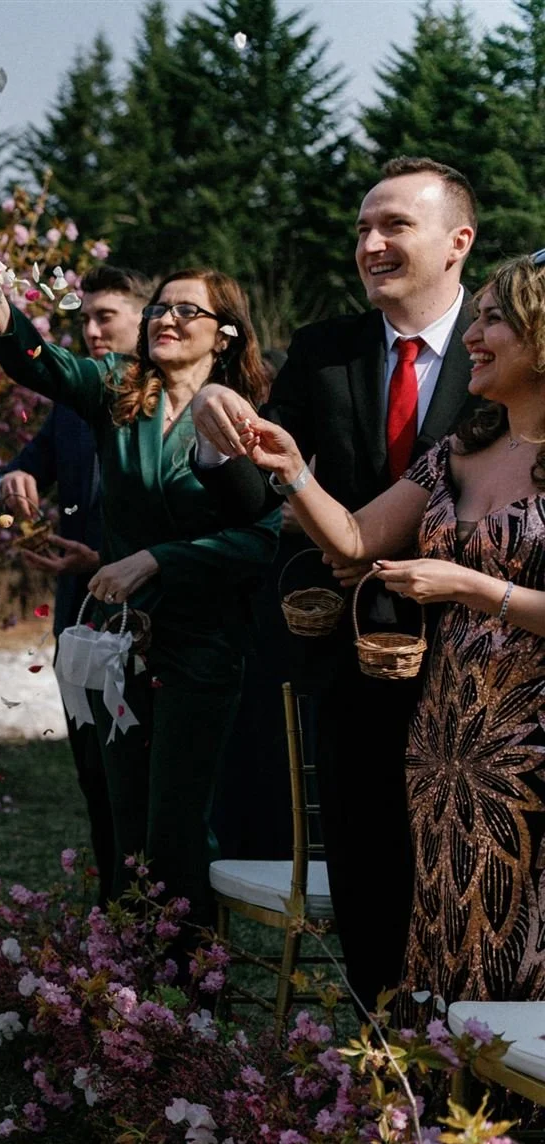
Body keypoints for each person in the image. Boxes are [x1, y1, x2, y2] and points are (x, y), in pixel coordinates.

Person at [0, 241, 281, 962]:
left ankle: (189, 988)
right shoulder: (120, 387)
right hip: (116, 644)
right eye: (159, 308)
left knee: (176, 825)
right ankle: (125, 985)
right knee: (125, 823)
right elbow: (43, 364)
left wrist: (157, 559)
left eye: (187, 310)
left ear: (225, 334)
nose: (166, 319)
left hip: (202, 646)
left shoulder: (247, 416)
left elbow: (261, 539)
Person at [194, 159, 483, 1008]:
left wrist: (394, 549)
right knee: (367, 869)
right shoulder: (325, 351)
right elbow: (258, 494)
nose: (371, 244)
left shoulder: (506, 345)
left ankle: (475, 1047)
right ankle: (380, 1043)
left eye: (394, 225)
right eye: (362, 229)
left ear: (458, 241)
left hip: (483, 660)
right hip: (357, 661)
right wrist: (213, 435)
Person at [232, 252, 545, 1007]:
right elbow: (353, 538)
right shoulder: (462, 449)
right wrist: (292, 471)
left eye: (493, 319)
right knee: (447, 918)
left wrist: (470, 587)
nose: (472, 335)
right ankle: (448, 1078)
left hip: (533, 743)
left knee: (525, 932)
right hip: (444, 742)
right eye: (475, 318)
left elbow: (477, 587)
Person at [0, 265, 150, 905]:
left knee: (146, 782)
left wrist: (105, 558)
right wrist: (9, 483)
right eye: (84, 320)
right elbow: (11, 476)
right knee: (94, 776)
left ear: (146, 319)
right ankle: (112, 917)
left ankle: (162, 920)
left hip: (155, 620)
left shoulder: (181, 403)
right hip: (80, 621)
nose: (92, 331)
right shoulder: (74, 411)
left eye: (106, 317)